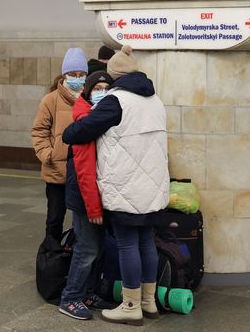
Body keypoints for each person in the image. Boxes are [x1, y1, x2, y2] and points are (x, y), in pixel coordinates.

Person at [63, 45, 169, 326]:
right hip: (153, 187)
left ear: (115, 76)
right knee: (146, 241)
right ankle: (149, 302)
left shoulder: (116, 100)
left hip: (127, 187)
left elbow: (76, 132)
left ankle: (130, 306)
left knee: (126, 244)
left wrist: (72, 128)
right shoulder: (155, 100)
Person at [59, 71, 115, 320]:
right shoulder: (85, 120)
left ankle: (88, 292)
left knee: (99, 247)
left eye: (106, 87)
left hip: (96, 196)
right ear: (87, 92)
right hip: (84, 196)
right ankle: (70, 298)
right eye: (97, 88)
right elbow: (84, 169)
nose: (101, 92)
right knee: (87, 248)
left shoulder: (101, 118)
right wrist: (93, 208)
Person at [31, 48, 88, 243]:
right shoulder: (51, 99)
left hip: (83, 170)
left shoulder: (91, 99)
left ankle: (76, 257)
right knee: (54, 219)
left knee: (82, 222)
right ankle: (51, 257)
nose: (77, 78)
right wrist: (48, 154)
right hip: (57, 171)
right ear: (64, 75)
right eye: (73, 74)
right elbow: (39, 130)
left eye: (81, 75)